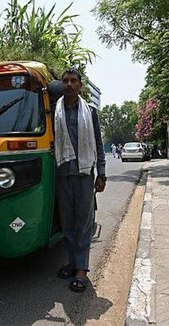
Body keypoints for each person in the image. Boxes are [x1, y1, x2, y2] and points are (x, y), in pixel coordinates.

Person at [54, 68, 106, 293]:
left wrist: (101, 173)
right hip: (62, 173)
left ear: (80, 85)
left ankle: (82, 270)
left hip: (85, 173)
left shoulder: (90, 112)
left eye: (73, 81)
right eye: (65, 81)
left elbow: (98, 142)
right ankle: (73, 263)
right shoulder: (54, 111)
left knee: (83, 223)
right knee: (67, 222)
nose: (69, 84)